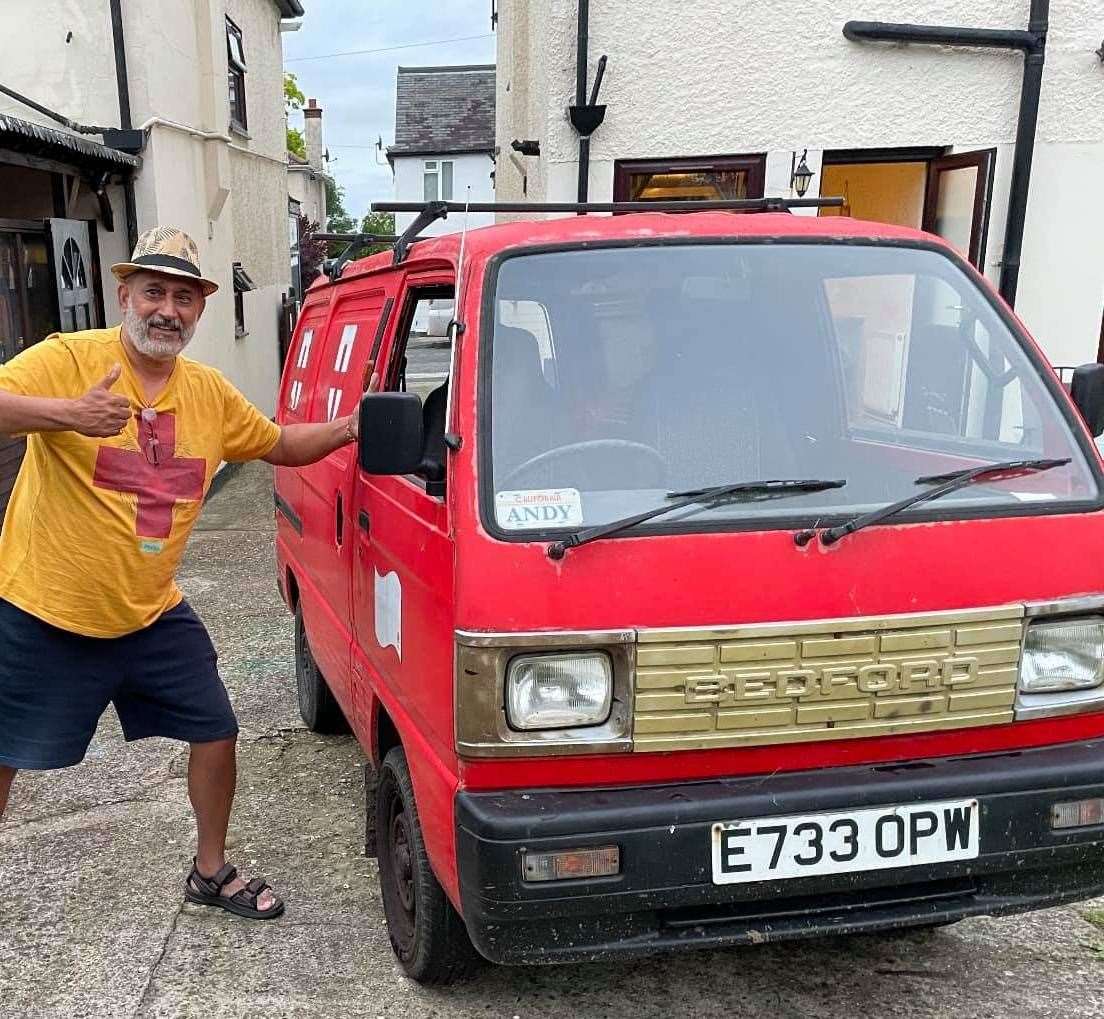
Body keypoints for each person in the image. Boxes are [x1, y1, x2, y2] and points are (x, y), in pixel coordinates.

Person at [0, 227, 376, 921]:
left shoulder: (207, 393)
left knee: (216, 726)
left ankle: (210, 871)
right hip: (45, 610)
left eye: (183, 296)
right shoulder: (69, 359)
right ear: (124, 295)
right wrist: (70, 414)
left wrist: (352, 425)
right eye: (153, 291)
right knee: (5, 751)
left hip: (148, 613)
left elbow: (278, 442)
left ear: (201, 309)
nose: (166, 308)